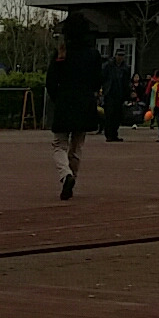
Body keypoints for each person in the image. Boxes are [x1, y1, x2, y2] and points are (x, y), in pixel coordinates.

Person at [46, 12, 104, 201]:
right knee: (77, 145)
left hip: (64, 101)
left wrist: (57, 97)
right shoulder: (93, 54)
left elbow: (51, 81)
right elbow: (97, 81)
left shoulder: (62, 53)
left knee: (59, 144)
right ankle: (72, 178)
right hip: (85, 104)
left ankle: (65, 175)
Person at [101, 49, 131, 142]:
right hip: (110, 93)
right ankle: (109, 134)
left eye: (122, 56)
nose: (120, 57)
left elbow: (127, 82)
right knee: (109, 114)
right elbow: (102, 77)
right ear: (115, 55)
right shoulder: (108, 65)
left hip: (120, 93)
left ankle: (114, 134)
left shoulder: (125, 68)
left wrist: (128, 93)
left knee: (117, 115)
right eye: (119, 55)